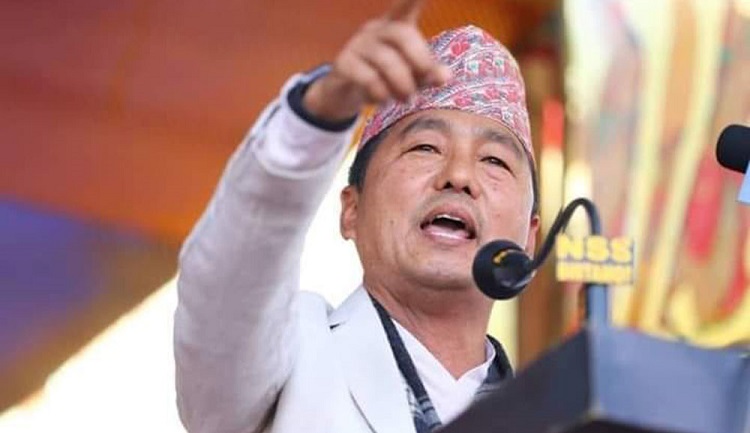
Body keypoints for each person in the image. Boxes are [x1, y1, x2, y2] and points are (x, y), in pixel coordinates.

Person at [173, 1, 540, 432]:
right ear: (351, 210)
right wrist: (316, 118)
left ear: (530, 239)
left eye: (495, 160)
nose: (459, 176)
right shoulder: (289, 355)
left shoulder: (562, 413)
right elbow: (229, 292)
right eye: (425, 148)